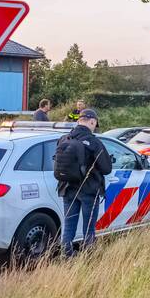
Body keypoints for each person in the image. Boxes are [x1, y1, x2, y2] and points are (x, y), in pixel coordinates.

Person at [53, 109, 110, 256]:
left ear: (79, 121)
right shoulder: (94, 142)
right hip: (89, 191)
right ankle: (88, 258)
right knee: (89, 228)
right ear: (92, 121)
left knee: (68, 227)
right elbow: (106, 168)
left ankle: (66, 256)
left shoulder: (64, 139)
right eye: (95, 124)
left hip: (66, 188)